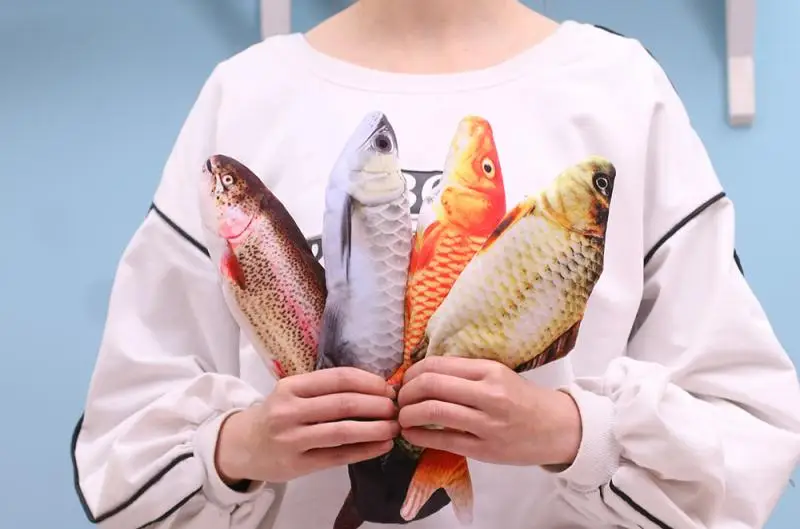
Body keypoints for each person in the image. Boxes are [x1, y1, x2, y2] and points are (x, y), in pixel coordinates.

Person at [71, 1, 800, 528]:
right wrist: (244, 446)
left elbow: (747, 426)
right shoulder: (245, 95)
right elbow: (123, 440)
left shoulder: (621, 88)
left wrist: (567, 431)